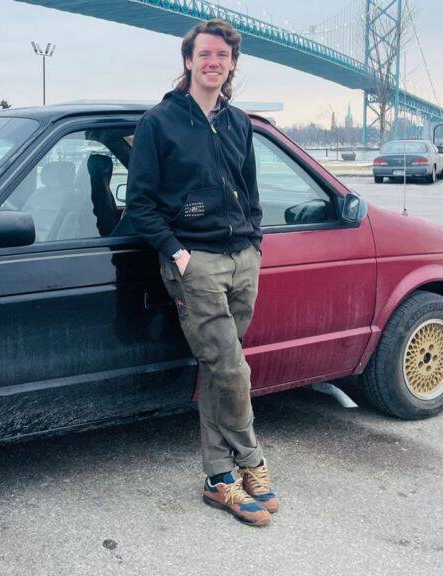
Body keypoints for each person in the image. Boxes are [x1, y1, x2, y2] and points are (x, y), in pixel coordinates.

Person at [124, 19, 277, 527]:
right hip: (197, 263)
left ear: (232, 64)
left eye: (223, 56)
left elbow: (249, 191)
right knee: (232, 367)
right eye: (205, 54)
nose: (214, 62)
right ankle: (251, 460)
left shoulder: (238, 123)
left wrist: (253, 242)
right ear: (188, 60)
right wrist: (177, 252)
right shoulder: (160, 123)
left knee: (219, 367)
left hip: (241, 258)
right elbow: (139, 203)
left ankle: (218, 478)